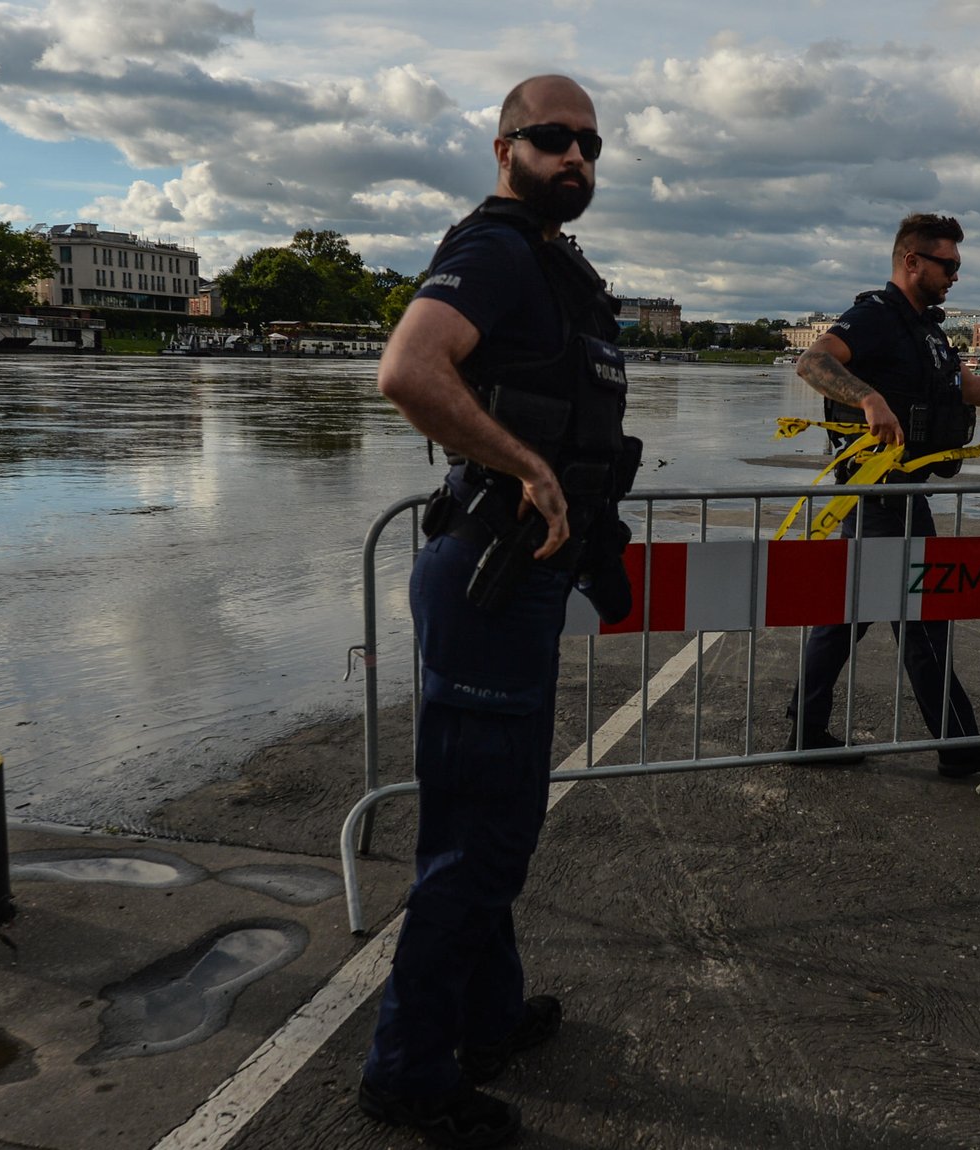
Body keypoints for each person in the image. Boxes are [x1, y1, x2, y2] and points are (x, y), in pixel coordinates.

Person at [361, 74, 639, 1149]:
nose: (575, 157)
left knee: (494, 819)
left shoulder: (548, 266)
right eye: (552, 139)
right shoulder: (493, 251)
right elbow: (408, 370)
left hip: (517, 580)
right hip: (485, 574)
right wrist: (525, 467)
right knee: (479, 835)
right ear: (504, 147)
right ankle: (407, 1071)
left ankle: (484, 1014)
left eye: (589, 143)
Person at [789, 213, 980, 776]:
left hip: (899, 493)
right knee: (922, 620)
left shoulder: (927, 330)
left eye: (957, 265)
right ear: (912, 262)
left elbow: (969, 387)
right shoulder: (876, 317)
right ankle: (957, 746)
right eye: (947, 264)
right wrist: (869, 400)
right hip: (879, 494)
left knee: (848, 615)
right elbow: (813, 361)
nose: (955, 275)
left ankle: (806, 731)